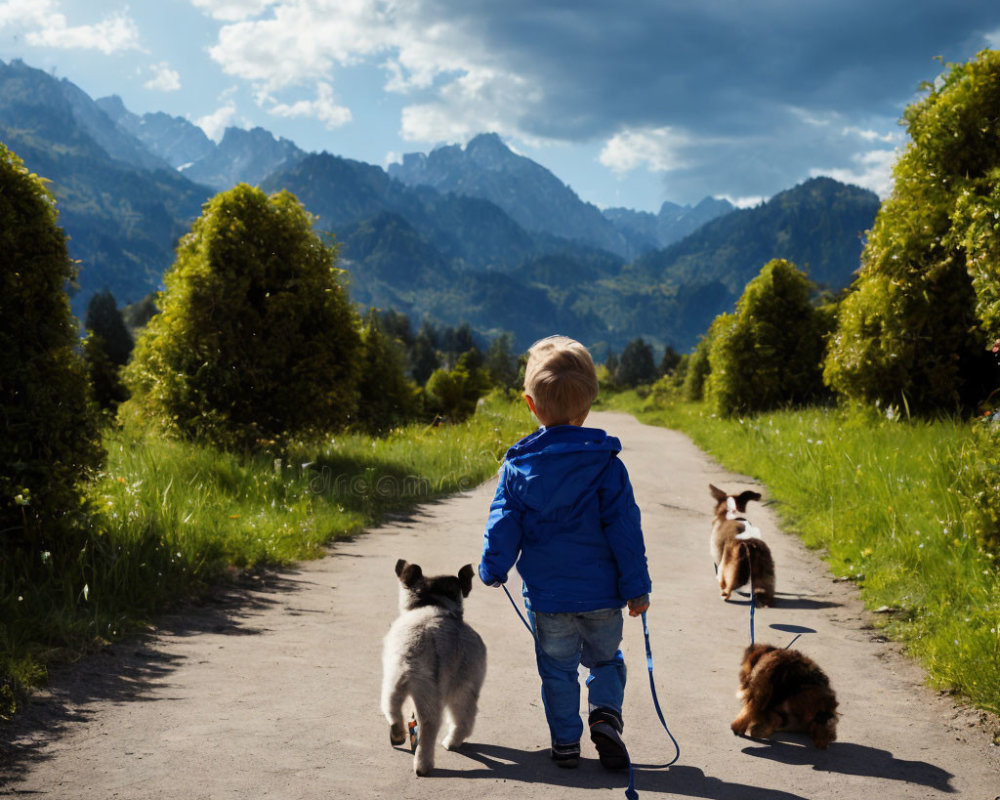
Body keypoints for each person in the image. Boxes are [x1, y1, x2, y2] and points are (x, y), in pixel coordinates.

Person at [478, 335, 652, 770]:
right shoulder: (608, 465)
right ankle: (606, 716)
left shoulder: (518, 469)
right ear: (589, 405)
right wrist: (637, 587)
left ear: (531, 405)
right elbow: (625, 530)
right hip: (603, 597)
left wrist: (493, 567)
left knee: (557, 670)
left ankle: (565, 744)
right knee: (606, 660)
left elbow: (504, 524)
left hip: (549, 600)